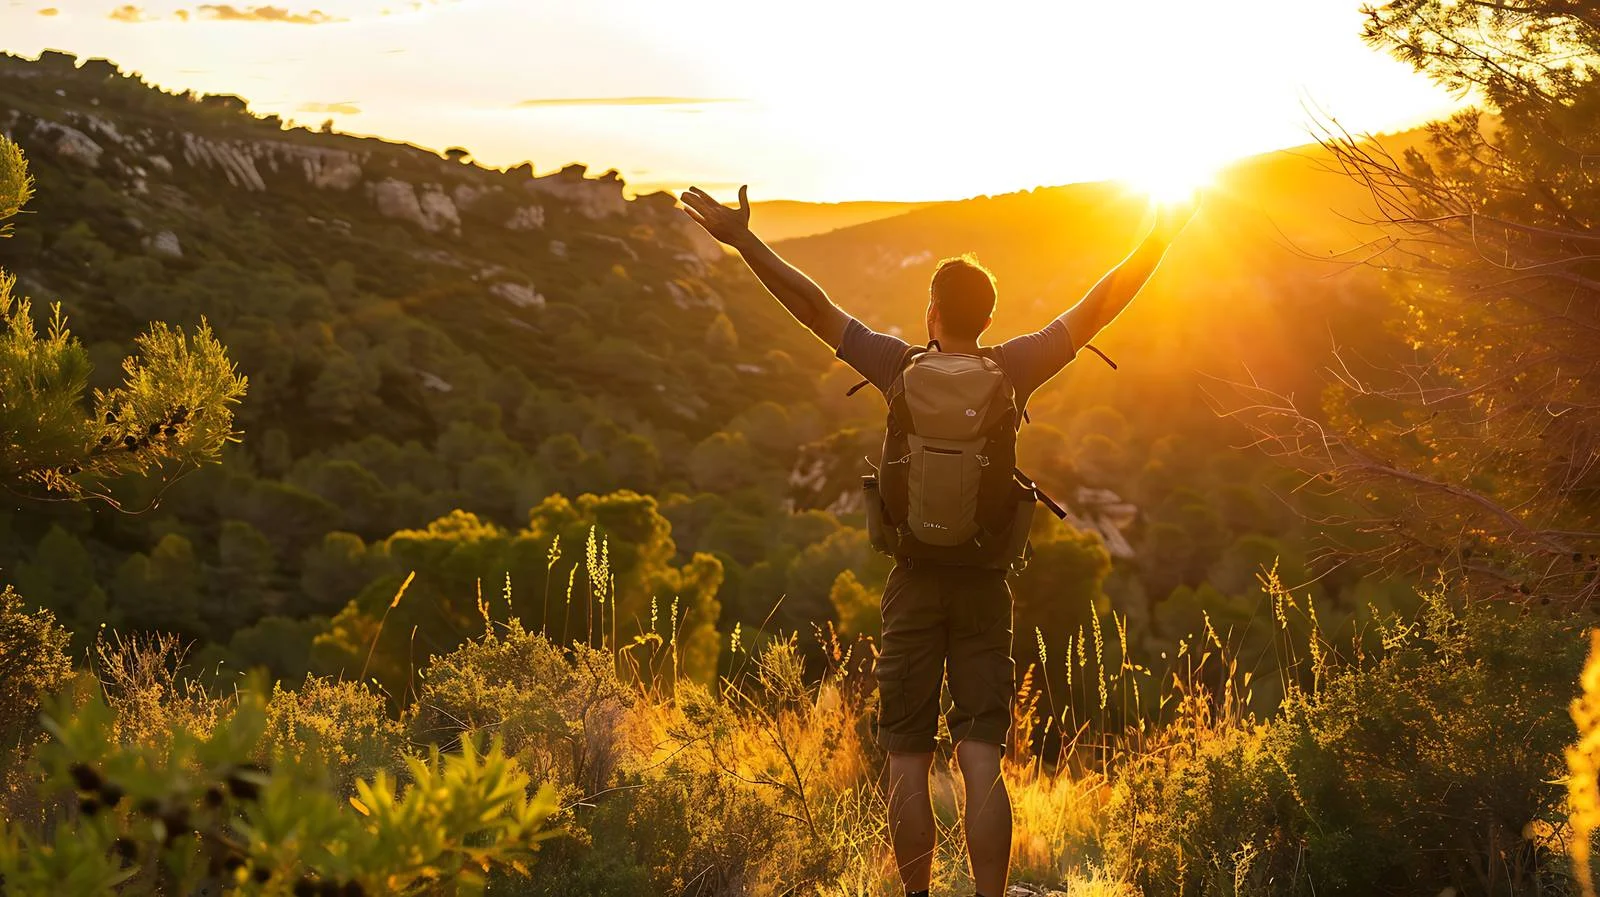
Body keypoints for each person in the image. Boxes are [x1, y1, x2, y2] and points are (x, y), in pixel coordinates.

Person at [680, 184, 1195, 897]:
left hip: (913, 581)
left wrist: (745, 241)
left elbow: (814, 307)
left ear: (932, 313)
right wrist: (1160, 238)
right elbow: (1101, 301)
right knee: (982, 755)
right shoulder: (1014, 368)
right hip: (986, 587)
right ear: (987, 317)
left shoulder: (897, 367)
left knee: (906, 758)